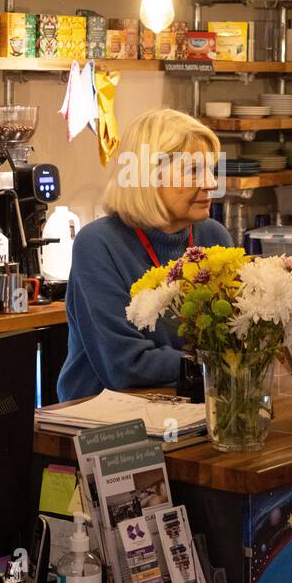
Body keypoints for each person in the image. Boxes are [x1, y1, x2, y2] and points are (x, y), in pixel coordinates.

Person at [57, 109, 232, 401]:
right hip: (105, 424)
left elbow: (233, 339)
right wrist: (218, 365)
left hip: (194, 406)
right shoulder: (98, 244)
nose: (212, 183)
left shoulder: (213, 237)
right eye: (193, 171)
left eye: (212, 170)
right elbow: (124, 365)